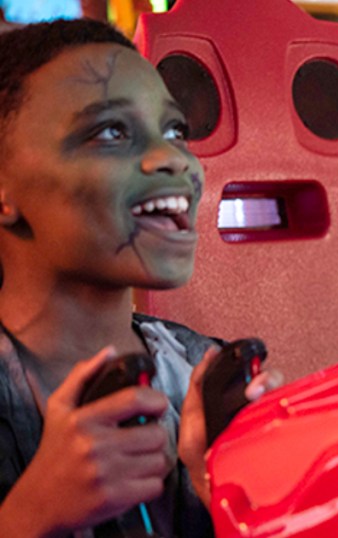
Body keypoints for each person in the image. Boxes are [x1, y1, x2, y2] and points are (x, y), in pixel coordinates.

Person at [0, 18, 279, 537]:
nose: (173, 158)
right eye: (110, 132)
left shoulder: (205, 377)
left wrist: (233, 500)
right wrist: (29, 517)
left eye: (176, 131)